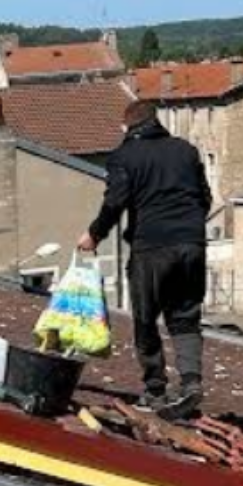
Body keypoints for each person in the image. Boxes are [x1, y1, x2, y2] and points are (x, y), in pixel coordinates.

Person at [77, 99, 213, 419]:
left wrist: (94, 234)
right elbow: (204, 197)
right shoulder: (186, 150)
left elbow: (115, 202)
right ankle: (191, 383)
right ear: (157, 120)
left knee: (145, 317)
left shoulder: (124, 157)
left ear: (127, 127)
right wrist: (187, 227)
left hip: (151, 247)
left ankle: (155, 389)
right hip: (191, 243)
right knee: (184, 315)